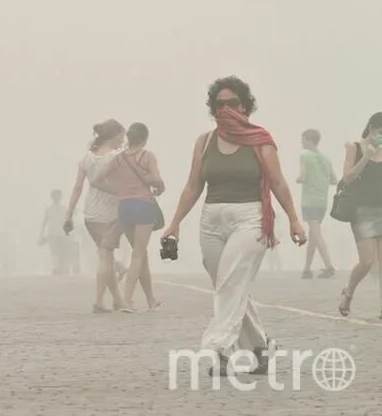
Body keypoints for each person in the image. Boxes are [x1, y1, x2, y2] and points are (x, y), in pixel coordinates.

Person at [162, 76, 306, 375]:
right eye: (219, 105)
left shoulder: (260, 140)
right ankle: (261, 347)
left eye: (232, 103)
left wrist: (294, 219)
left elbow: (277, 182)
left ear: (245, 106)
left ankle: (220, 348)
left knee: (230, 284)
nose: (225, 109)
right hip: (211, 221)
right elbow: (193, 185)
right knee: (229, 286)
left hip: (250, 218)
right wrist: (174, 223)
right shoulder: (205, 142)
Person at [95, 123, 164, 312]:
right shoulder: (147, 156)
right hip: (143, 206)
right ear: (144, 139)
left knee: (141, 255)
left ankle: (151, 300)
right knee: (138, 254)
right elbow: (156, 179)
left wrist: (119, 191)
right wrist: (160, 186)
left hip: (125, 208)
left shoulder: (119, 159)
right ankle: (127, 300)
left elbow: (96, 180)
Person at [65, 120, 128, 312]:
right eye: (121, 136)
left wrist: (68, 216)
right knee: (105, 258)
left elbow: (77, 189)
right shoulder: (116, 157)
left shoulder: (87, 158)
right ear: (113, 136)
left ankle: (117, 300)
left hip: (90, 215)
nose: (123, 140)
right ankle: (99, 301)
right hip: (111, 215)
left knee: (105, 257)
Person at [337, 112, 382, 318]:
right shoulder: (354, 147)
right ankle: (349, 292)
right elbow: (347, 178)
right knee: (367, 261)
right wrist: (367, 156)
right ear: (372, 128)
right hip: (362, 212)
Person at [297, 129, 338, 279]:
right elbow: (334, 180)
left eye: (302, 139)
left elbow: (302, 175)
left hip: (309, 200)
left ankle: (329, 266)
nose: (301, 142)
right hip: (322, 202)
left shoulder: (304, 156)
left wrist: (300, 179)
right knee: (313, 235)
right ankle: (307, 269)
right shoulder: (326, 159)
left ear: (309, 140)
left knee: (316, 234)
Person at [40, 190, 71, 275]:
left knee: (62, 253)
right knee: (54, 252)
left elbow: (68, 222)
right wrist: (41, 235)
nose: (56, 198)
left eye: (58, 196)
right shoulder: (48, 209)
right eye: (55, 196)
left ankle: (61, 269)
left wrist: (70, 234)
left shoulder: (64, 209)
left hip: (63, 234)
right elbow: (44, 223)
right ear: (52, 197)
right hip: (52, 235)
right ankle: (56, 268)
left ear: (60, 197)